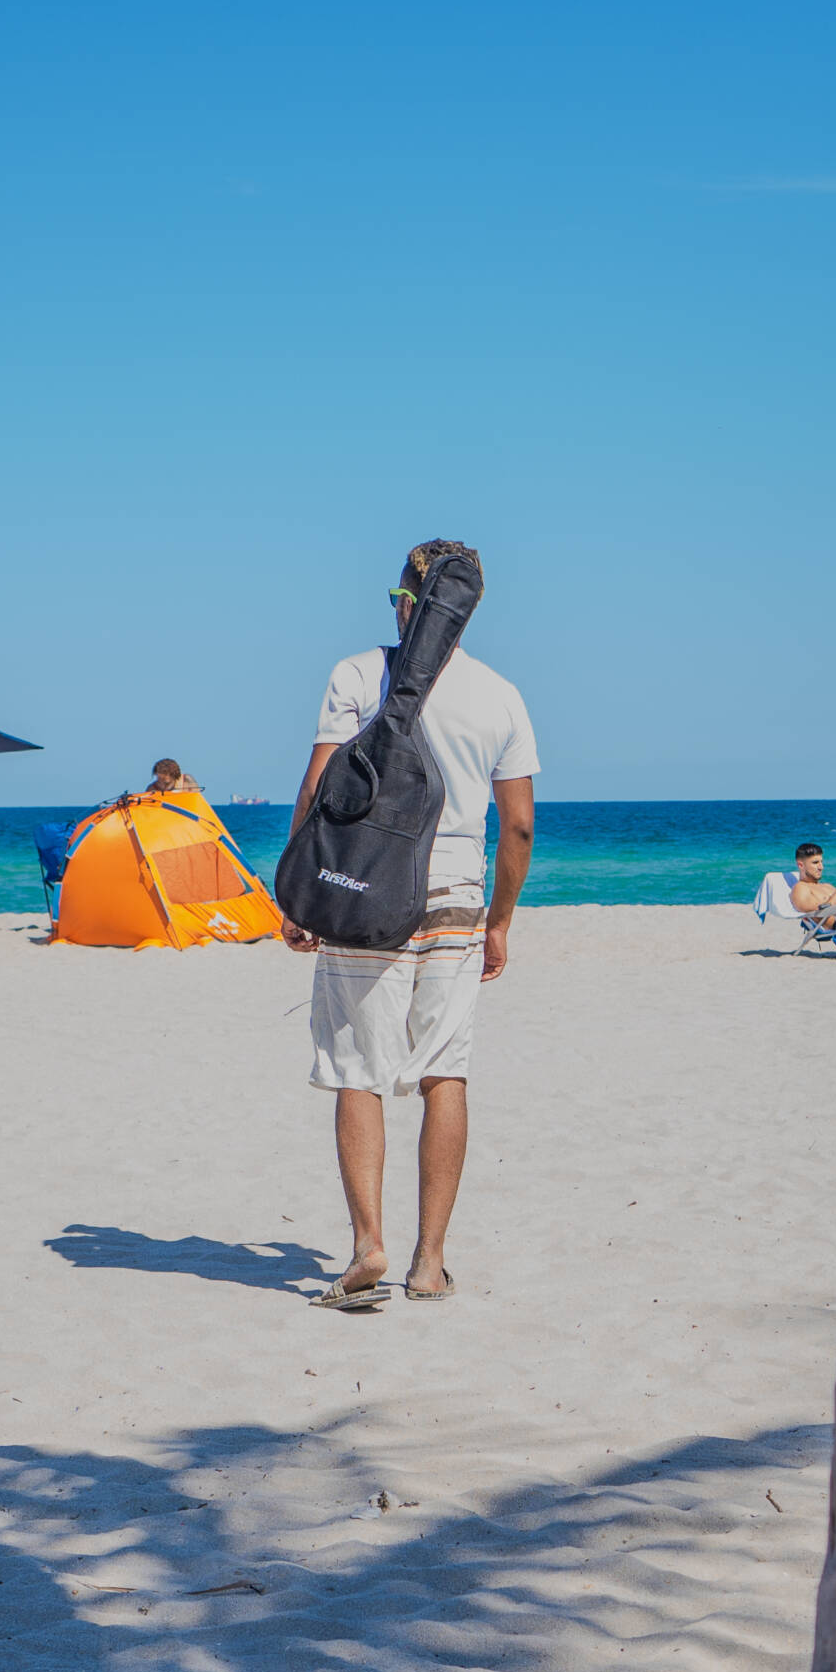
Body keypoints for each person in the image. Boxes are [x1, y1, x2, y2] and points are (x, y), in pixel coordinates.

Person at [281, 538, 538, 1311]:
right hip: (456, 896)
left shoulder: (358, 675)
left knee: (358, 1071)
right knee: (443, 1072)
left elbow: (322, 786)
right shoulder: (500, 695)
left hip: (362, 891)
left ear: (402, 598)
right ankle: (428, 1263)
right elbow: (519, 826)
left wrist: (300, 893)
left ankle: (367, 1246)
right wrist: (499, 920)